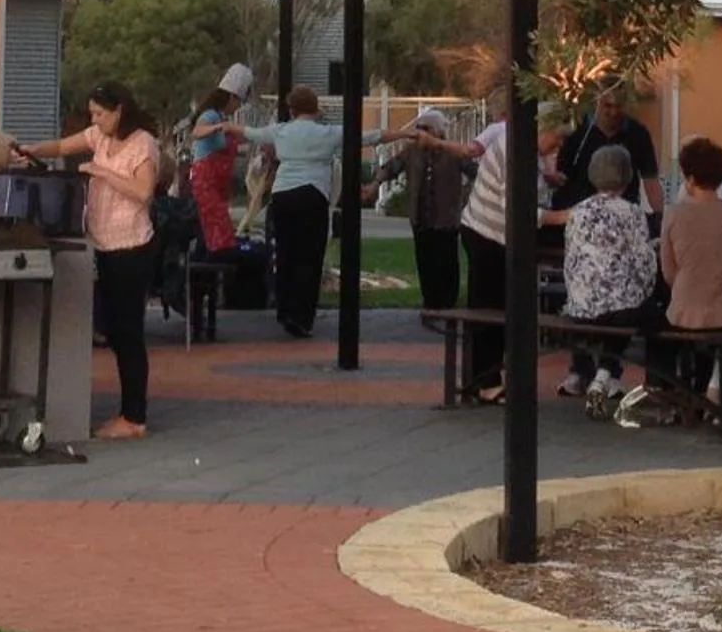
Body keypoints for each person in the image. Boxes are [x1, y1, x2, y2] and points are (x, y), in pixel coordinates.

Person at [26, 83, 162, 439]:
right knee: (111, 328)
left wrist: (103, 173)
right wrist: (29, 150)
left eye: (100, 113)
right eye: (92, 114)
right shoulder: (98, 137)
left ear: (119, 111)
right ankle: (129, 410)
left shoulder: (143, 144)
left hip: (131, 246)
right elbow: (61, 147)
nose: (95, 120)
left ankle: (134, 416)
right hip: (102, 244)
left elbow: (143, 191)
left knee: (128, 331)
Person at [418, 106, 565, 399]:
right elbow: (517, 207)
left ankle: (487, 376)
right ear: (541, 129)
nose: (558, 145)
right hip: (487, 233)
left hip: (492, 231)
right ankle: (485, 381)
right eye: (557, 138)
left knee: (496, 306)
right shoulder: (516, 152)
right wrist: (560, 217)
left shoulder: (523, 148)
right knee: (489, 307)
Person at [241, 86, 402, 338]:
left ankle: (285, 310)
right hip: (312, 194)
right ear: (315, 108)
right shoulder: (328, 133)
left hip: (283, 195)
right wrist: (406, 133)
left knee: (285, 253)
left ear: (292, 109)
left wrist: (222, 127)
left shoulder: (281, 130)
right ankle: (302, 317)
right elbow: (372, 136)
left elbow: (249, 132)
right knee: (310, 256)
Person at [634, 134, 722, 422]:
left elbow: (669, 273)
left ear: (688, 178)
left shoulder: (673, 215)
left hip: (684, 310)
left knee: (655, 322)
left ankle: (670, 395)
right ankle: (716, 391)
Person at [557, 143, 659, 404]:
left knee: (609, 304)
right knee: (640, 308)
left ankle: (585, 373)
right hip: (619, 312)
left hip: (580, 306)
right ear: (627, 175)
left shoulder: (577, 212)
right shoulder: (633, 213)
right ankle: (606, 375)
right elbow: (644, 264)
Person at [399, 107, 474, 315]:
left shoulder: (452, 153)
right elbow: (392, 167)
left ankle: (447, 302)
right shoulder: (411, 151)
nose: (419, 133)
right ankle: (430, 301)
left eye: (424, 128)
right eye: (418, 128)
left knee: (446, 260)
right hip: (420, 216)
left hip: (445, 216)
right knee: (425, 259)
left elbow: (474, 170)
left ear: (437, 131)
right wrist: (374, 184)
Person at [554, 83, 663, 214]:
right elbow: (561, 176)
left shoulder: (637, 133)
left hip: (624, 212)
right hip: (581, 211)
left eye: (619, 106)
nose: (614, 112)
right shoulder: (577, 130)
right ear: (597, 101)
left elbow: (650, 180)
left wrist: (660, 216)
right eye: (608, 105)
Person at [185, 75, 249, 256]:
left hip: (220, 183)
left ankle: (213, 261)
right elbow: (197, 132)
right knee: (217, 226)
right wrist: (218, 128)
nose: (238, 106)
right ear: (231, 97)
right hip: (206, 181)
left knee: (216, 226)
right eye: (238, 101)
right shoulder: (211, 115)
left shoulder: (223, 118)